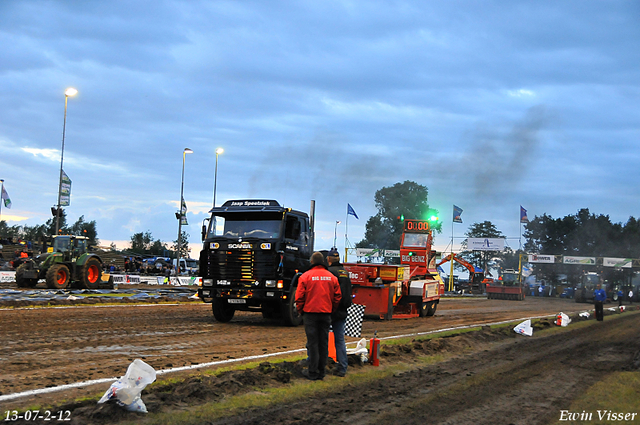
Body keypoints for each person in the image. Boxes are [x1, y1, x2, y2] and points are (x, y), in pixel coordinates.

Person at [295, 251, 341, 381]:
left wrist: (301, 310)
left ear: (312, 262)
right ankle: (322, 371)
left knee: (313, 343)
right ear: (323, 262)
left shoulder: (305, 277)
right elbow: (338, 296)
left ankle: (313, 372)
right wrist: (331, 309)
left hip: (310, 313)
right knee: (323, 342)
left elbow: (299, 297)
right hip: (326, 313)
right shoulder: (332, 277)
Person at [326, 248, 352, 377]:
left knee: (323, 338)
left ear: (329, 259)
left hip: (330, 310)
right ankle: (342, 367)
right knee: (339, 340)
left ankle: (321, 365)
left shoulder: (329, 273)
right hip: (343, 311)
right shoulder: (345, 273)